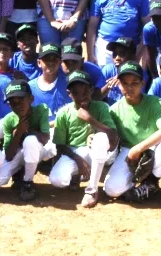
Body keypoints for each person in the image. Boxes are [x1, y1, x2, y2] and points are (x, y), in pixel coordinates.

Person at [103, 61, 161, 202]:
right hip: (128, 151)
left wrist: (138, 149)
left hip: (153, 147)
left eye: (134, 83)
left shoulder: (155, 102)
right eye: (125, 83)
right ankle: (136, 181)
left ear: (142, 83)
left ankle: (151, 182)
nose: (129, 88)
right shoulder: (114, 110)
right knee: (111, 189)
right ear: (118, 84)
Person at [49, 71, 118, 208]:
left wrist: (90, 119)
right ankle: (80, 174)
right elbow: (60, 145)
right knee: (57, 180)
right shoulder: (64, 113)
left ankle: (92, 190)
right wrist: (78, 160)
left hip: (100, 151)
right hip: (76, 152)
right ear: (69, 94)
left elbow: (113, 135)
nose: (81, 96)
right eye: (76, 93)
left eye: (85, 91)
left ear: (92, 90)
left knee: (100, 137)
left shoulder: (101, 107)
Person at [0, 79, 51, 201]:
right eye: (13, 103)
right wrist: (18, 133)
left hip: (38, 150)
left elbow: (45, 138)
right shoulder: (9, 119)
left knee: (30, 141)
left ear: (31, 99)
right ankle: (19, 172)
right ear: (9, 105)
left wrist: (27, 132)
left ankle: (28, 183)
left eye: (21, 100)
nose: (18, 105)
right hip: (18, 152)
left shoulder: (41, 109)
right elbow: (9, 155)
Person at [87, 0, 149, 66]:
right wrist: (90, 53)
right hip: (105, 46)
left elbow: (147, 25)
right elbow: (92, 25)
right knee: (104, 78)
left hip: (130, 47)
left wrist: (139, 53)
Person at [28, 43, 70, 122]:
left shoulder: (69, 84)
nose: (50, 62)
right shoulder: (30, 87)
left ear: (60, 62)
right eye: (46, 59)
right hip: (39, 131)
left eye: (54, 59)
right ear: (39, 63)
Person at [101, 37, 149, 106]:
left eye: (122, 54)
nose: (117, 58)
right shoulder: (108, 69)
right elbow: (96, 97)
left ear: (133, 56)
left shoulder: (141, 73)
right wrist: (109, 85)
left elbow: (138, 100)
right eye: (115, 54)